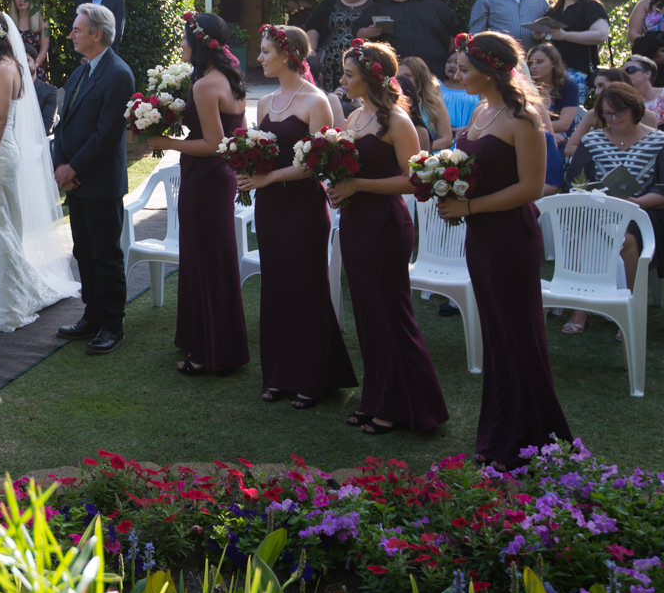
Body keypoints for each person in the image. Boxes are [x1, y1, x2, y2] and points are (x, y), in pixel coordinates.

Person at [439, 32, 570, 468]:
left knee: (519, 336)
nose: (458, 73)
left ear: (492, 70)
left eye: (465, 67)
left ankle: (536, 438)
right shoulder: (480, 109)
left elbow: (531, 187)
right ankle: (499, 434)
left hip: (511, 238)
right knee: (497, 337)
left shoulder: (524, 118)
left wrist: (469, 204)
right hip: (480, 237)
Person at [327, 39, 447, 436]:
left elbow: (413, 182)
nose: (342, 80)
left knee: (391, 315)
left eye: (348, 74)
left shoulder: (396, 120)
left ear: (371, 78)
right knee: (366, 316)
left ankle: (409, 405)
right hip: (357, 224)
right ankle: (375, 398)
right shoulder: (353, 116)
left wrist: (357, 184)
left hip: (386, 228)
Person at [234, 25, 357, 408]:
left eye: (265, 51)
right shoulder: (265, 102)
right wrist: (247, 165)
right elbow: (265, 150)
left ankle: (314, 377)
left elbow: (318, 164)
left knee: (306, 288)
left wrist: (268, 176)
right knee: (275, 289)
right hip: (270, 206)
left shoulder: (316, 101)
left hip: (302, 206)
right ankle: (279, 374)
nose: (259, 58)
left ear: (288, 55)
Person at [0, 7, 79, 331]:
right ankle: (2, 294)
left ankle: (9, 303)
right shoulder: (0, 65)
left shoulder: (3, 69)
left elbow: (1, 118)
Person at [152, 11, 248, 374]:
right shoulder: (227, 78)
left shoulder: (206, 85)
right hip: (216, 179)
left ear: (198, 43)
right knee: (212, 259)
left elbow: (214, 144)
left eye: (184, 39)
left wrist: (167, 142)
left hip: (207, 180)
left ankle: (209, 352)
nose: (181, 46)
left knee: (205, 262)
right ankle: (215, 343)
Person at [52, 3, 135, 355]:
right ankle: (91, 315)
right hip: (76, 181)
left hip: (99, 182)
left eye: (77, 30)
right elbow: (64, 123)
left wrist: (75, 169)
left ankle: (112, 326)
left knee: (106, 254)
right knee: (83, 250)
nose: (71, 35)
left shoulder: (118, 74)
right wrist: (61, 165)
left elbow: (106, 134)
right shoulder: (80, 72)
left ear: (97, 34)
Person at [561, 83, 664, 336]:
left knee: (627, 238)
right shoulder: (592, 140)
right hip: (598, 207)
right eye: (607, 114)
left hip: (646, 211)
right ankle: (582, 306)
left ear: (634, 109)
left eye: (619, 112)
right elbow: (575, 181)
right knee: (579, 231)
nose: (613, 119)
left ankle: (630, 305)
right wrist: (593, 196)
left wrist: (637, 202)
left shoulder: (661, 141)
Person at [305, 0, 381, 91]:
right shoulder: (328, 5)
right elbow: (313, 26)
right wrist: (312, 51)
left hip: (360, 60)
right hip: (330, 61)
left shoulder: (375, 5)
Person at [380, 0, 462, 75]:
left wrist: (452, 56)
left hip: (435, 70)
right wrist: (368, 31)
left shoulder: (434, 5)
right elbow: (358, 31)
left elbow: (455, 31)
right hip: (396, 72)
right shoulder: (379, 9)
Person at [543, 0, 609, 96]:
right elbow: (551, 37)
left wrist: (566, 36)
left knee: (572, 113)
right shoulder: (553, 11)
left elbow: (601, 35)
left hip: (578, 71)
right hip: (551, 73)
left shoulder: (590, 6)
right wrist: (543, 35)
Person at [526, 43, 580, 195]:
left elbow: (564, 124)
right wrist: (544, 133)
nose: (534, 67)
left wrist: (545, 133)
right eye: (531, 63)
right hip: (532, 134)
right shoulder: (526, 88)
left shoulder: (569, 86)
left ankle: (550, 189)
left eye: (540, 62)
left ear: (554, 63)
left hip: (562, 137)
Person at [397, 56, 453, 149]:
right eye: (398, 76)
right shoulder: (392, 103)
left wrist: (422, 149)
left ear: (420, 78)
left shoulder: (434, 102)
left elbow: (446, 139)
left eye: (407, 76)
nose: (401, 80)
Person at [7, 0, 50, 75]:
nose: (20, 0)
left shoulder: (42, 21)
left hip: (36, 68)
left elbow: (44, 49)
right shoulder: (9, 22)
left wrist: (35, 65)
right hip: (15, 69)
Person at [440, 50, 481, 131]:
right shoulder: (436, 85)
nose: (451, 65)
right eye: (449, 62)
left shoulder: (478, 88)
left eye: (457, 63)